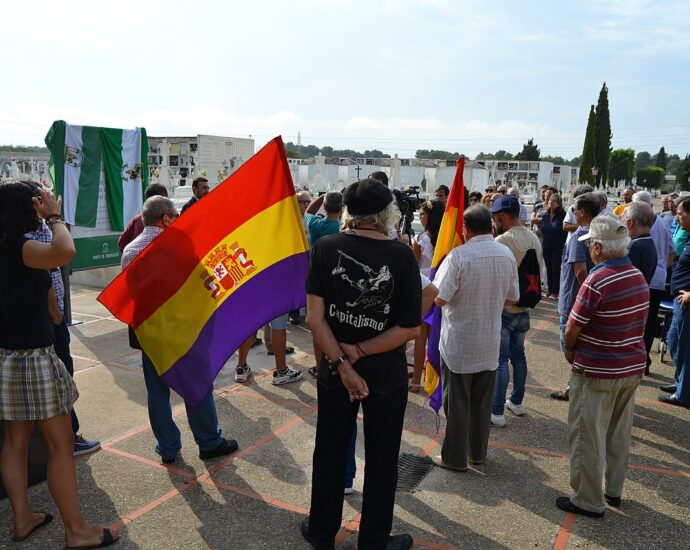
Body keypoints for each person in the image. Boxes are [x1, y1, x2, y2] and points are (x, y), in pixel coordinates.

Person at [302, 178, 421, 550]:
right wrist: (361, 353)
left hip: (335, 369)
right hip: (383, 373)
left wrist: (343, 361)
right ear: (388, 213)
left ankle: (322, 531)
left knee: (330, 450)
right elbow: (409, 328)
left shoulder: (325, 247)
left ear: (349, 213)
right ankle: (373, 540)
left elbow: (314, 319)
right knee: (383, 456)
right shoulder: (402, 256)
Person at [0, 182, 119, 548]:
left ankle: (22, 518)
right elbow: (65, 251)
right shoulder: (22, 248)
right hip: (33, 357)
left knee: (15, 440)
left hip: (6, 356)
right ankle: (76, 531)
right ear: (29, 207)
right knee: (60, 445)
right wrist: (54, 216)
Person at [122, 196, 238, 463]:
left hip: (149, 333)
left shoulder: (130, 249)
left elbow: (130, 294)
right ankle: (209, 442)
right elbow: (201, 281)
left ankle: (168, 448)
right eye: (175, 215)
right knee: (196, 385)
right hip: (183, 330)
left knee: (157, 392)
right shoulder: (179, 245)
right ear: (165, 219)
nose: (177, 219)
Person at [556, 216, 648, 518]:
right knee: (619, 433)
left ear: (597, 247)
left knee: (587, 435)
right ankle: (613, 490)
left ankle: (587, 499)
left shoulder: (597, 280)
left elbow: (573, 326)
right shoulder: (637, 276)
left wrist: (569, 349)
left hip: (597, 370)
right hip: (631, 367)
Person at [431, 205, 520, 470]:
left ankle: (455, 458)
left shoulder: (458, 256)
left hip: (460, 342)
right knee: (481, 404)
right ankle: (477, 453)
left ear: (465, 229)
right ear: (491, 227)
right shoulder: (505, 254)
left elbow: (440, 298)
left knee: (457, 403)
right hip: (489, 340)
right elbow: (513, 297)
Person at [24, 195, 101, 457]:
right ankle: (68, 438)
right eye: (39, 198)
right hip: (48, 320)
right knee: (61, 377)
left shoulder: (23, 231)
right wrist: (54, 218)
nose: (46, 201)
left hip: (42, 320)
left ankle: (61, 436)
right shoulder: (32, 231)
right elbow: (59, 257)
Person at [489, 196, 545, 427]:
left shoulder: (503, 240)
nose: (494, 222)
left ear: (502, 216)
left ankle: (497, 411)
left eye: (495, 217)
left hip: (506, 307)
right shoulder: (534, 237)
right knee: (518, 356)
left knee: (501, 360)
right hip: (524, 308)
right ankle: (517, 402)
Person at [550, 194, 598, 401]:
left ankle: (576, 387)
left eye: (574, 210)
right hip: (586, 301)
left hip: (574, 301)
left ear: (582, 212)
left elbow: (580, 272)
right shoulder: (599, 234)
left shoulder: (580, 237)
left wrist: (590, 295)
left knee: (571, 348)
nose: (572, 213)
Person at [630, 192, 675, 373]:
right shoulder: (663, 223)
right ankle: (643, 359)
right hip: (657, 279)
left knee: (638, 322)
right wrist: (663, 266)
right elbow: (672, 250)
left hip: (643, 279)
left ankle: (639, 360)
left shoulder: (645, 225)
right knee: (649, 322)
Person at [410, 200, 444, 392]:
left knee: (421, 337)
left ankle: (416, 380)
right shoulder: (445, 238)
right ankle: (433, 378)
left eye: (423, 214)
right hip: (440, 290)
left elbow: (413, 265)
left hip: (424, 290)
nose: (420, 217)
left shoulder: (421, 238)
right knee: (435, 337)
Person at [659, 196, 690, 407]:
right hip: (679, 300)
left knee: (685, 347)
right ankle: (680, 383)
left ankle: (684, 394)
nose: (677, 218)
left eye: (680, 213)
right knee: (674, 340)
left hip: (687, 302)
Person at [117, 183, 169, 252]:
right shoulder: (170, 220)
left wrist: (132, 255)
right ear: (166, 199)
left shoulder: (137, 219)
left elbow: (121, 242)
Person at [540, 193, 567, 299]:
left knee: (556, 268)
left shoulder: (562, 215)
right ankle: (550, 290)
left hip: (557, 245)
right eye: (550, 200)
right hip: (546, 245)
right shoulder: (546, 215)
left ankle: (556, 291)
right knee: (548, 268)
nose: (551, 202)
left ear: (559, 203)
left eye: (554, 201)